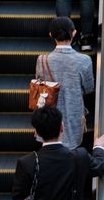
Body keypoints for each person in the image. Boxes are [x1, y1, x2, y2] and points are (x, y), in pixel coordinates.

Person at [40, 17, 94, 149]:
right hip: (74, 116)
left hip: (49, 117)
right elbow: (89, 88)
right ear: (74, 33)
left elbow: (41, 87)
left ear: (51, 35)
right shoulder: (84, 60)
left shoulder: (42, 60)